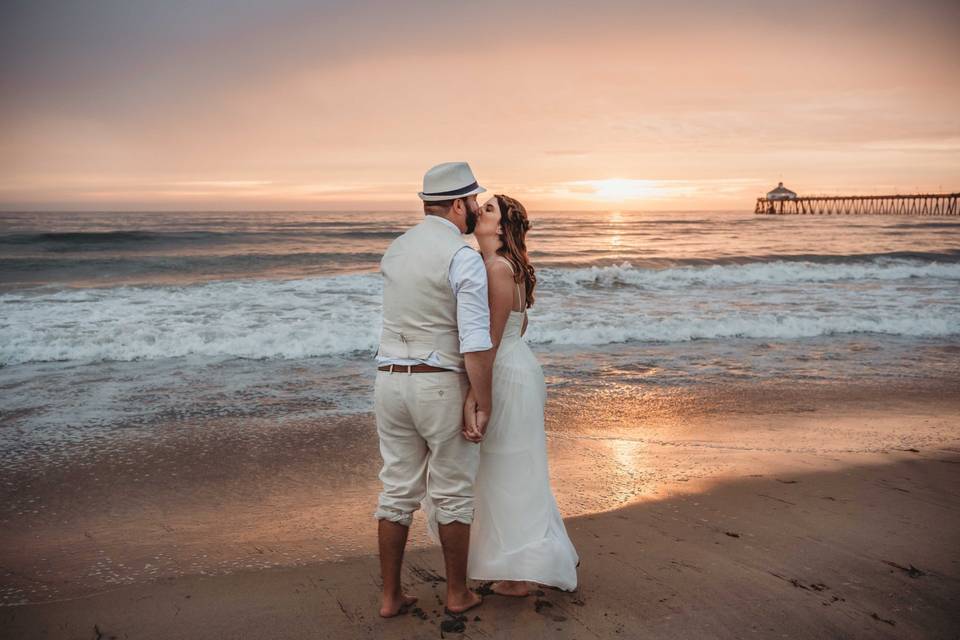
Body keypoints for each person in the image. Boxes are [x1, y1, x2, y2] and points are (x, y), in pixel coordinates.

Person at [373, 162, 495, 617]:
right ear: (460, 204)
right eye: (474, 201)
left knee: (396, 490)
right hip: (440, 385)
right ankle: (458, 593)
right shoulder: (462, 256)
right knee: (452, 492)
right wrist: (483, 399)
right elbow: (476, 341)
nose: (477, 209)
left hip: (389, 381)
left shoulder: (396, 249)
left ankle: (389, 597)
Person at [464, 194, 579, 595]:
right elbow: (520, 327)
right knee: (513, 466)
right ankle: (520, 563)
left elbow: (490, 341)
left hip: (505, 373)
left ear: (501, 227)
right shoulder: (509, 266)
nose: (479, 210)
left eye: (489, 208)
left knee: (505, 469)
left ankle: (518, 573)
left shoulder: (496, 267)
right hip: (520, 367)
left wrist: (473, 397)